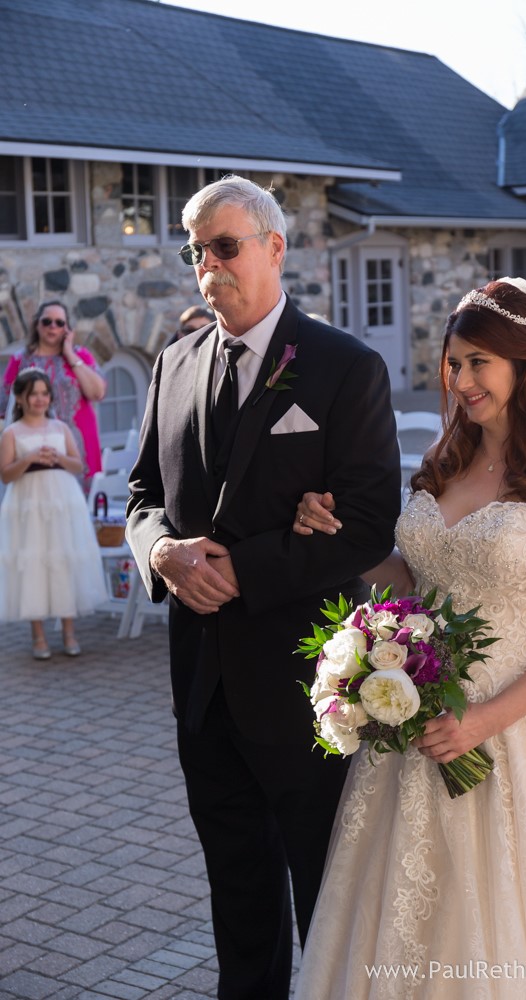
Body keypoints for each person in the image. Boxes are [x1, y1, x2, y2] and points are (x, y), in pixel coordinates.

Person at [292, 278, 526, 999]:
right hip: (421, 729)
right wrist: (343, 540)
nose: (459, 380)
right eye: (452, 362)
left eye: (478, 362)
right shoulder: (443, 466)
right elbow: (414, 585)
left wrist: (484, 719)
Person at [125, 174, 401, 1000]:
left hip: (306, 686)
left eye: (225, 245)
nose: (207, 265)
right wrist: (165, 555)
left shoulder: (344, 368)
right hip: (201, 688)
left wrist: (239, 570)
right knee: (237, 895)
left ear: (275, 248)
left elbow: (365, 520)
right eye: (195, 250)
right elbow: (141, 497)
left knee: (326, 892)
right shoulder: (173, 364)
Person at [0, 368, 107, 658]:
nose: (40, 399)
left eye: (44, 393)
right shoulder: (11, 432)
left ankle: (69, 631)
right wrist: (29, 458)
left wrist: (58, 457)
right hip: (27, 502)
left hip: (62, 500)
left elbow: (78, 465)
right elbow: (6, 475)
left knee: (63, 558)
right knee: (33, 560)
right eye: (33, 393)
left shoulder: (60, 428)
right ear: (20, 398)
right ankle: (38, 635)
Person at [0, 300, 106, 492]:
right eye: (47, 321)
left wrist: (69, 354)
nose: (53, 327)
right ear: (36, 324)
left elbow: (97, 393)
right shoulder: (20, 359)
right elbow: (4, 406)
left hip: (78, 442)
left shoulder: (80, 354)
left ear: (67, 328)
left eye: (59, 323)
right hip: (34, 445)